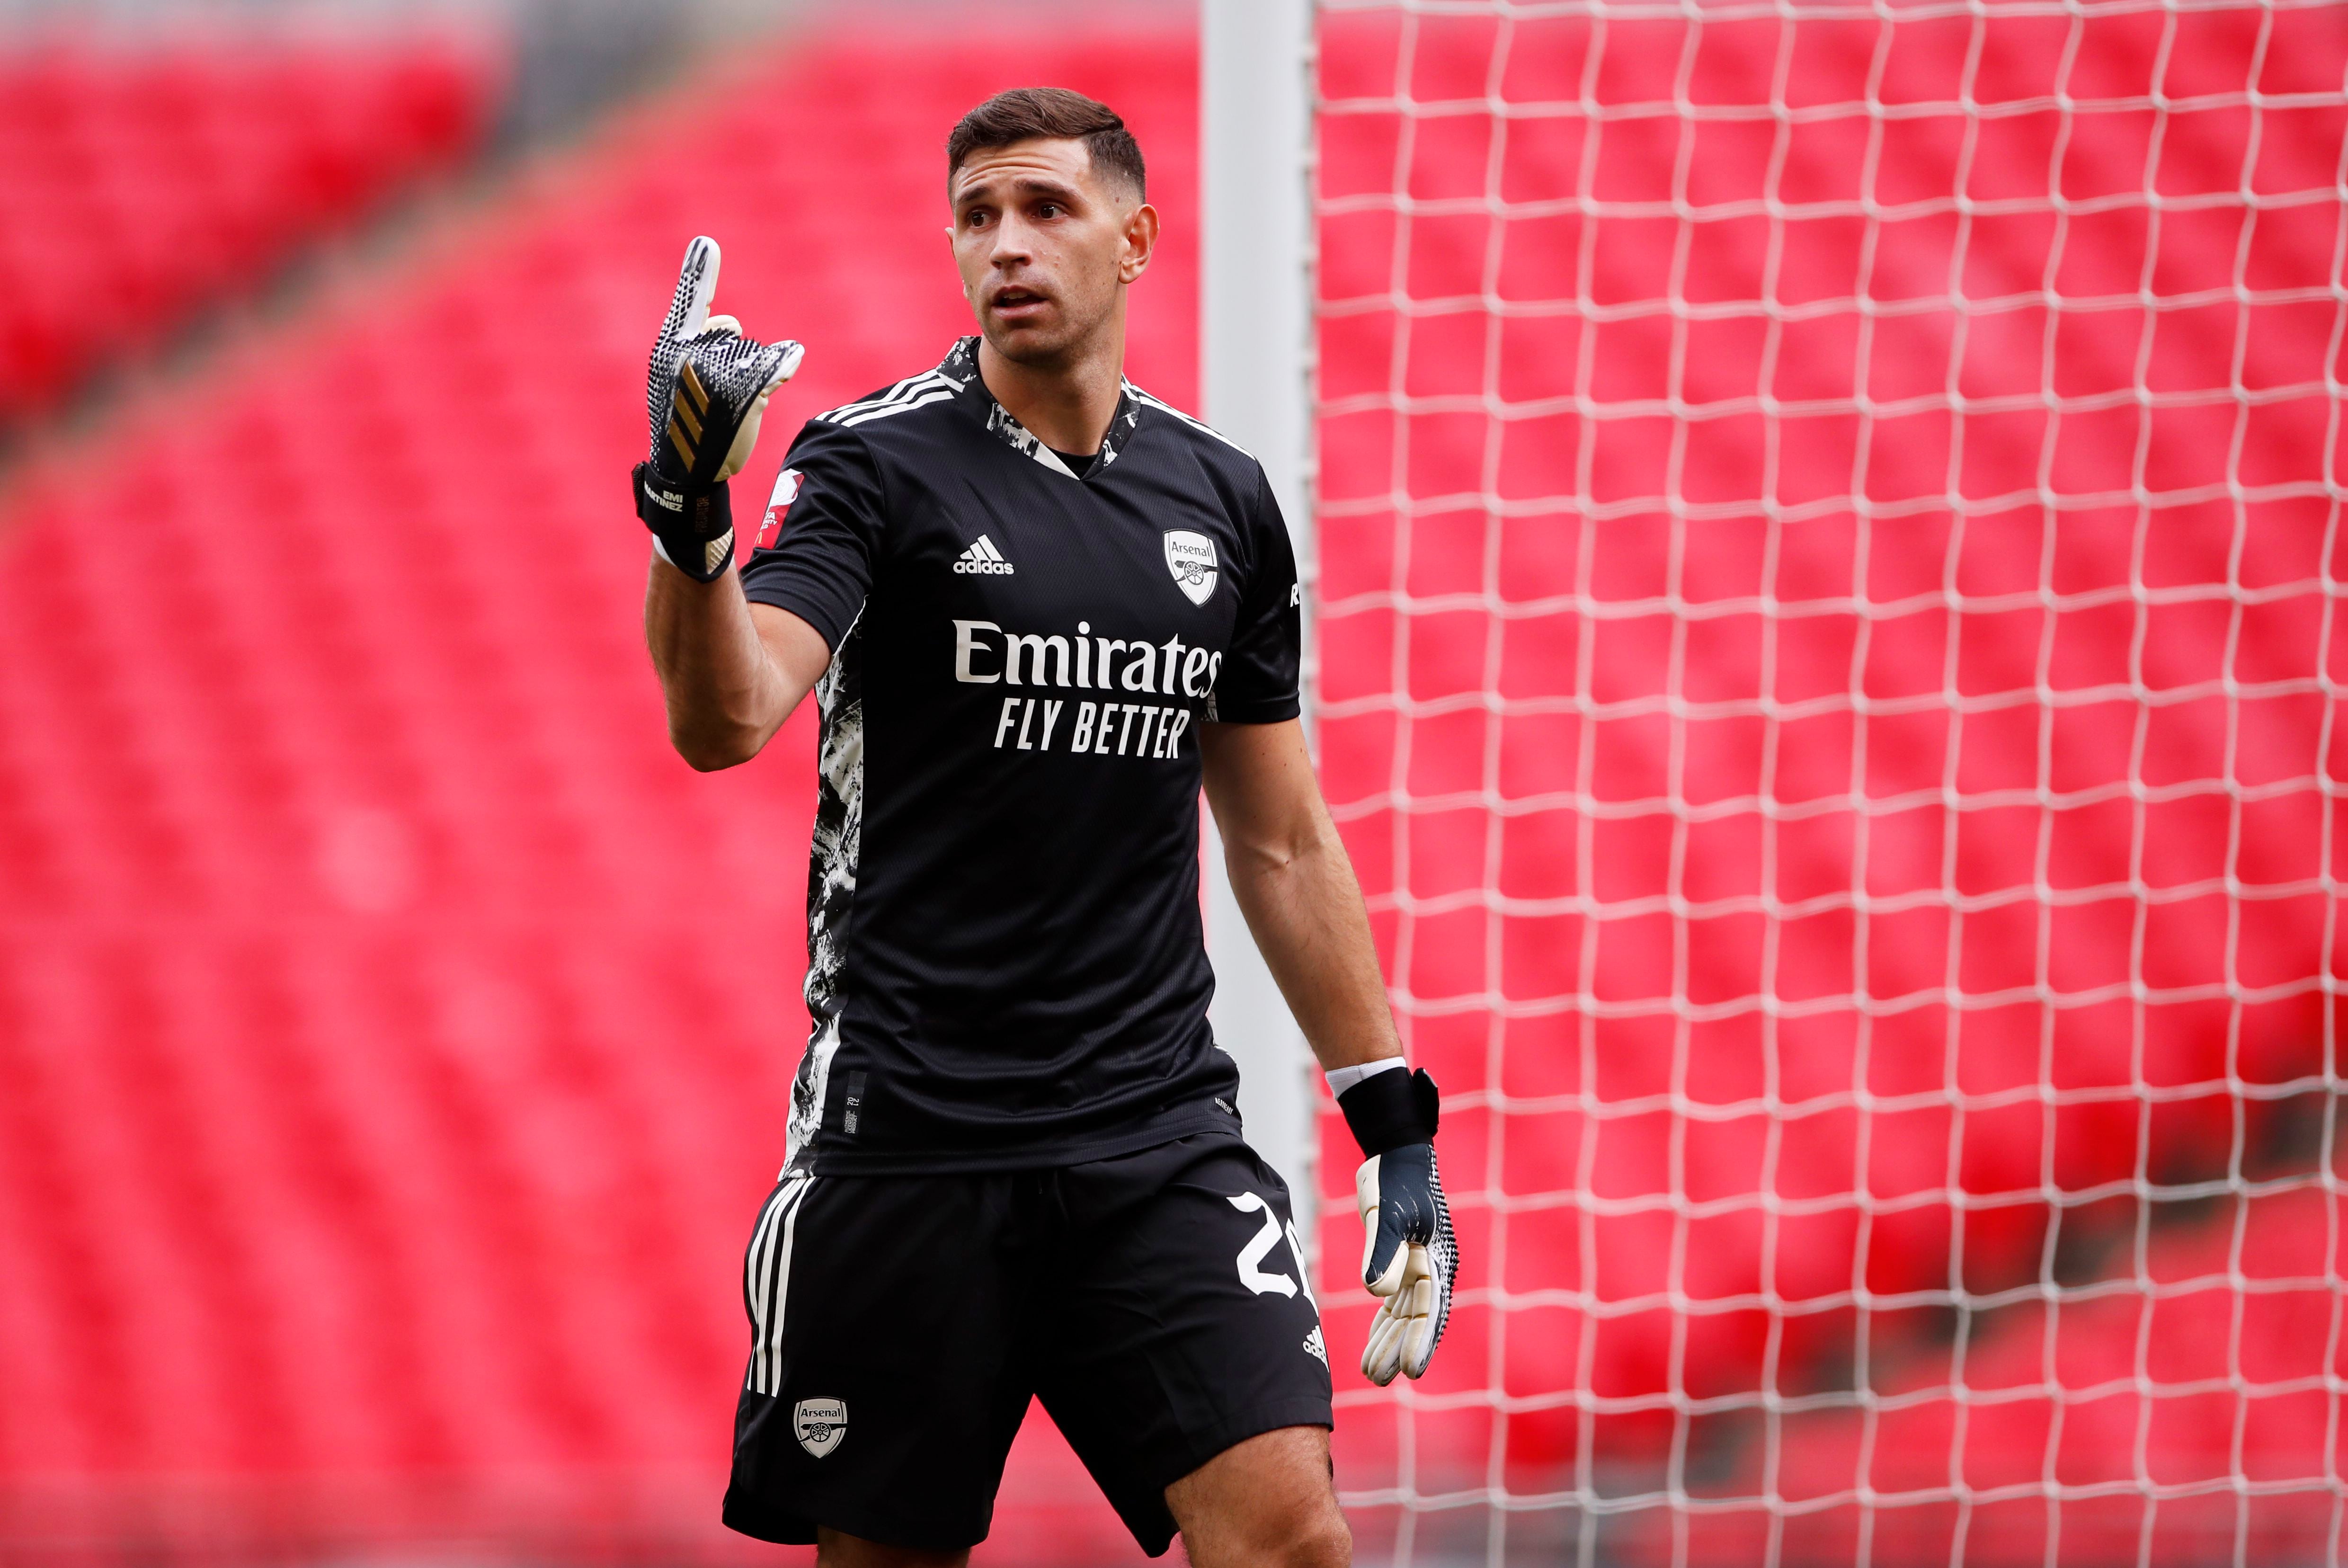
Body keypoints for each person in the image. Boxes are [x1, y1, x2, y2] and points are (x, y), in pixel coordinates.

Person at [631, 86, 1456, 1568]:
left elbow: (1278, 839)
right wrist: (690, 518)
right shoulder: (875, 465)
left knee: (1293, 1534)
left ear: (1135, 239)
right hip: (913, 1138)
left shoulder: (1224, 503)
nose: (1007, 245)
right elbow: (728, 715)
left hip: (1152, 1134)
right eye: (977, 217)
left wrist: (1391, 1116)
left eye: (1047, 210)